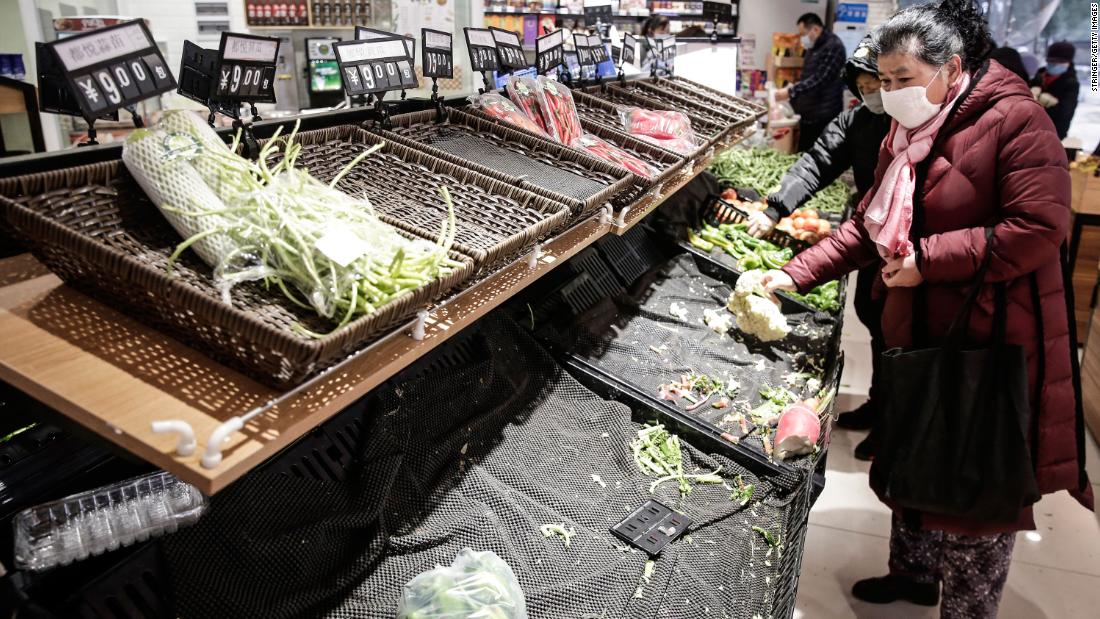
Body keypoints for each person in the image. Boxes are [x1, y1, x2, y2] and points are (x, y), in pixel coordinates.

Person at [763, 1, 1094, 616]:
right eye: (883, 82)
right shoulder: (907, 132)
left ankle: (967, 609)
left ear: (952, 67)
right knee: (913, 454)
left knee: (974, 481)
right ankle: (912, 574)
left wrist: (927, 259)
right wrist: (790, 272)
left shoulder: (1018, 121)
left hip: (990, 335)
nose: (890, 94)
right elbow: (867, 225)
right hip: (916, 331)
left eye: (903, 79)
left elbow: (1037, 227)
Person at [748, 36, 892, 460]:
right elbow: (817, 162)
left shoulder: (912, 127)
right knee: (874, 318)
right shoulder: (858, 121)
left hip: (906, 247)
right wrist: (776, 207)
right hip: (870, 239)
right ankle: (878, 403)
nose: (870, 93)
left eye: (877, 84)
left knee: (896, 335)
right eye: (863, 85)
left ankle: (891, 423)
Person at [775, 13, 847, 152]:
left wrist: (791, 91)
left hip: (823, 114)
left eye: (803, 34)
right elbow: (808, 75)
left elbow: (821, 79)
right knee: (804, 153)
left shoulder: (834, 46)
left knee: (817, 156)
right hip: (810, 112)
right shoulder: (814, 46)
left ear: (815, 29)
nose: (802, 38)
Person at [1031, 41, 1079, 139]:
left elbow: (1065, 113)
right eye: (1051, 61)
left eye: (1059, 62)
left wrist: (1041, 101)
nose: (1054, 64)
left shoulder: (1071, 83)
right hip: (1030, 127)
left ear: (1068, 63)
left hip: (1053, 133)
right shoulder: (1038, 75)